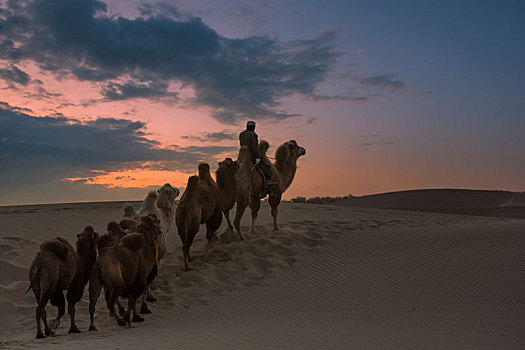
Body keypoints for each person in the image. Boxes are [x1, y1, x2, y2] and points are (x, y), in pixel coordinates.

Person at [239, 121, 275, 194]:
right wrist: (258, 157)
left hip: (242, 155)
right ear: (253, 127)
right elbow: (254, 147)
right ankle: (268, 185)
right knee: (267, 166)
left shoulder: (241, 134)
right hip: (252, 156)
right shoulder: (253, 135)